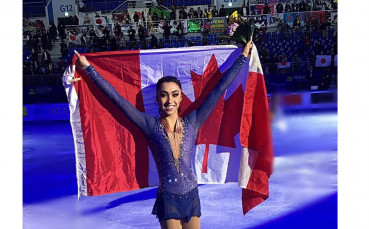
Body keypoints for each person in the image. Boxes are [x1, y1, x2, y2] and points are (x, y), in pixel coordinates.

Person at [71, 36, 253, 229]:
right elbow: (118, 100)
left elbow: (218, 90)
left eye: (174, 94)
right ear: (157, 99)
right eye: (163, 95)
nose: (169, 100)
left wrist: (242, 56)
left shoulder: (193, 121)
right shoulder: (150, 125)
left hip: (192, 195)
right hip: (168, 199)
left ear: (181, 97)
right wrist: (89, 68)